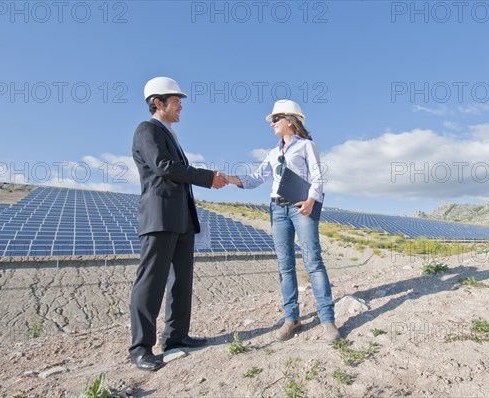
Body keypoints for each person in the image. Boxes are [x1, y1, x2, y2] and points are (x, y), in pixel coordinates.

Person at [129, 77, 227, 371]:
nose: (181, 106)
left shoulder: (168, 134)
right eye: (176, 101)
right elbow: (164, 167)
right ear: (158, 103)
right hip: (159, 218)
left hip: (181, 220)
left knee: (180, 281)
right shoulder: (147, 130)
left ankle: (176, 337)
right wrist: (209, 177)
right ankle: (140, 348)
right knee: (151, 282)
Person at [227, 99, 340, 344]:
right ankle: (292, 319)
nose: (272, 124)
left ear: (291, 120)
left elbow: (318, 176)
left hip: (302, 207)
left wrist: (311, 200)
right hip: (277, 210)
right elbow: (256, 179)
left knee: (312, 261)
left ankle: (327, 320)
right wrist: (229, 179)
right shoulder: (273, 153)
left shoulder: (307, 146)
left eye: (276, 119)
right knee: (285, 265)